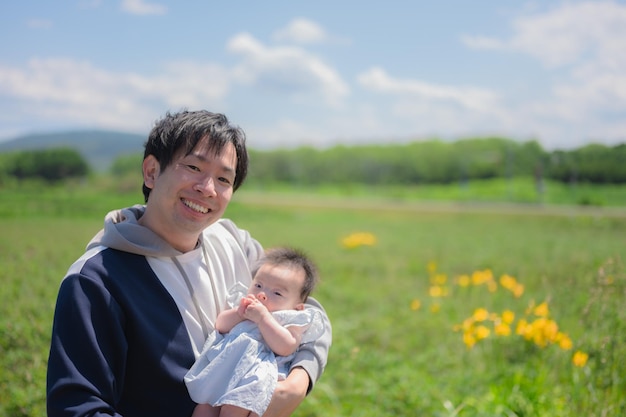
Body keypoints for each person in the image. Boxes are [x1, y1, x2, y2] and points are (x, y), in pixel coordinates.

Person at [46, 110, 332, 417]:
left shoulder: (233, 241)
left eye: (224, 178)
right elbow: (76, 408)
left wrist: (299, 380)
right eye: (194, 167)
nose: (207, 188)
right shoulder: (96, 280)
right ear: (152, 171)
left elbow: (307, 312)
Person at [185, 247, 326, 417]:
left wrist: (263, 319)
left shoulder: (292, 319)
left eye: (277, 293)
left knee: (233, 409)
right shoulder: (243, 306)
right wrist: (239, 313)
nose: (262, 294)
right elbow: (221, 325)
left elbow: (286, 347)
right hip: (226, 368)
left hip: (255, 376)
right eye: (258, 285)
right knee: (204, 408)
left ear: (298, 307)